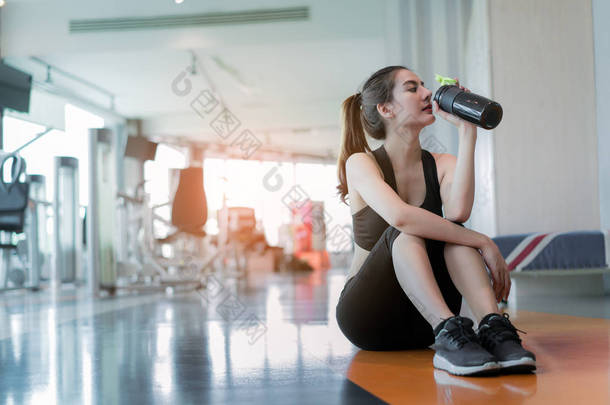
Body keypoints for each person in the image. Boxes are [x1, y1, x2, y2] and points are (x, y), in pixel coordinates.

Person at [334, 65, 536, 376]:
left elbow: (458, 213)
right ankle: (447, 333)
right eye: (413, 88)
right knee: (406, 233)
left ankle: (494, 329)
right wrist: (484, 241)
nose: (428, 93)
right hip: (368, 316)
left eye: (424, 86)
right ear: (385, 108)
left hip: (421, 320)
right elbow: (401, 216)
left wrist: (468, 131)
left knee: (454, 234)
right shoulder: (361, 163)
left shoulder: (441, 164)